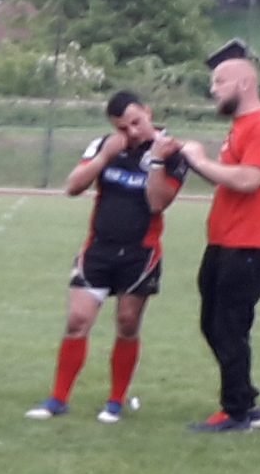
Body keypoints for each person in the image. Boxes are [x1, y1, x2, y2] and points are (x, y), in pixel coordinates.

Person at [30, 90, 189, 422]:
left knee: (127, 324)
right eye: (122, 127)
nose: (131, 132)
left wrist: (156, 161)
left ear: (148, 112)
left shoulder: (172, 152)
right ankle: (58, 399)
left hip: (140, 254)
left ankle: (115, 401)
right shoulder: (105, 145)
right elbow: (73, 187)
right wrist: (104, 157)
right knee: (77, 321)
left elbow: (158, 203)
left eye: (136, 122)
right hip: (98, 249)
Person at [183, 44, 260, 434]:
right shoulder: (241, 127)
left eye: (220, 81)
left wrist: (199, 159)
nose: (213, 89)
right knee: (213, 323)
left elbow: (249, 180)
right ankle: (245, 402)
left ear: (245, 83)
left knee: (229, 324)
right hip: (226, 239)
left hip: (253, 241)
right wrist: (189, 158)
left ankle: (237, 412)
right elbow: (228, 177)